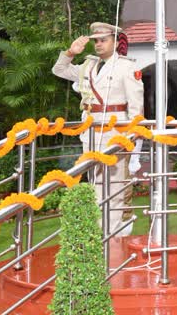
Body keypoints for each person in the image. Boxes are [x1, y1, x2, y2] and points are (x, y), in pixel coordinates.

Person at [52, 22, 144, 237]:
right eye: (96, 41)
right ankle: (98, 229)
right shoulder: (89, 65)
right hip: (91, 129)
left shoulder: (127, 67)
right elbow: (59, 70)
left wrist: (134, 130)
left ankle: (113, 233)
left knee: (115, 183)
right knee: (95, 183)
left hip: (117, 130)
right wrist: (70, 52)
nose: (98, 44)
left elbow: (136, 103)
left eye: (103, 40)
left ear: (116, 41)